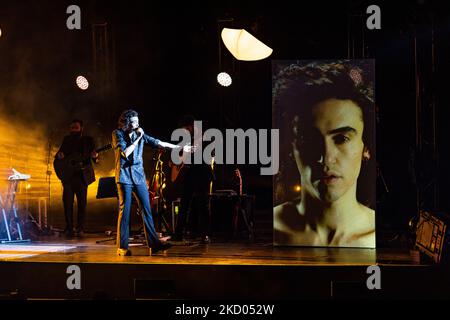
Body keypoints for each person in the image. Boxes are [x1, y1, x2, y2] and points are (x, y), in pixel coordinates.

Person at [273, 61, 376, 248]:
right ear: (291, 146)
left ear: (366, 148)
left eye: (342, 138)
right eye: (309, 139)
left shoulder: (374, 236)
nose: (326, 158)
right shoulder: (275, 229)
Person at [112, 109, 193, 256]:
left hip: (139, 177)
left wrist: (180, 147)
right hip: (124, 178)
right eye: (134, 122)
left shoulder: (140, 134)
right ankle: (122, 247)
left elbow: (159, 142)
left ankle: (154, 244)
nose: (137, 124)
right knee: (125, 211)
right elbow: (125, 153)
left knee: (147, 209)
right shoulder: (117, 134)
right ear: (126, 123)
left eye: (138, 121)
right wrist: (137, 139)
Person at [172, 115, 214, 244]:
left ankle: (204, 235)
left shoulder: (204, 136)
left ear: (191, 126)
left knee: (203, 205)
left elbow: (210, 153)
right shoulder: (186, 139)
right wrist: (175, 161)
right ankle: (178, 234)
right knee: (184, 204)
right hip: (188, 175)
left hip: (201, 173)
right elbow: (180, 156)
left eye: (185, 129)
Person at [55, 119, 98, 238]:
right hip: (68, 177)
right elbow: (59, 155)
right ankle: (69, 228)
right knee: (67, 203)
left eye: (76, 128)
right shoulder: (67, 139)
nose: (73, 130)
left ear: (81, 128)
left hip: (82, 177)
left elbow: (95, 158)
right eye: (72, 128)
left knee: (82, 204)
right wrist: (60, 155)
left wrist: (96, 156)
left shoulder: (88, 141)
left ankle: (80, 228)